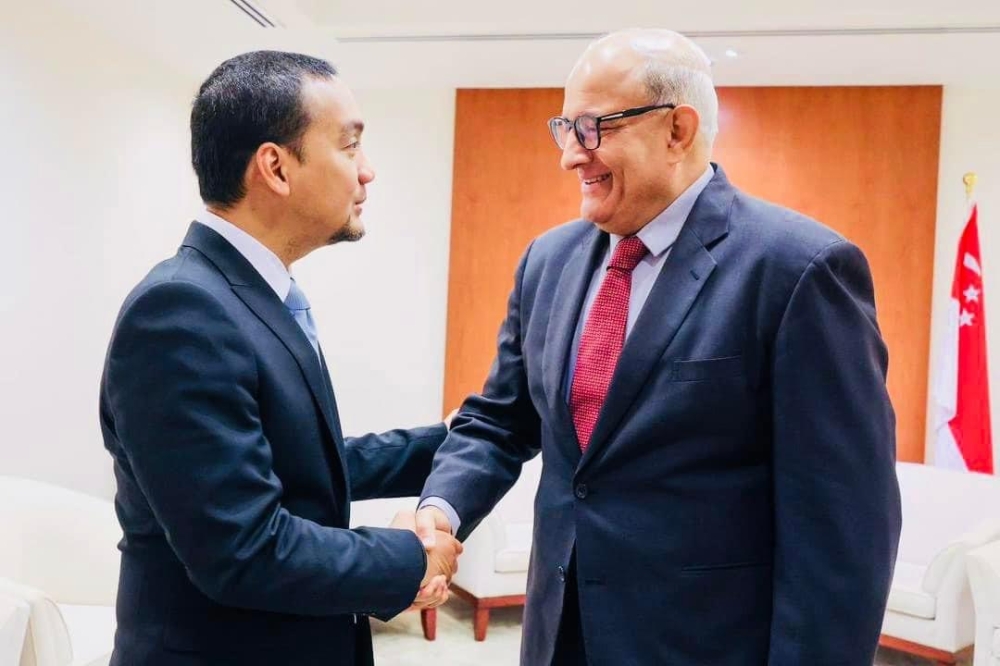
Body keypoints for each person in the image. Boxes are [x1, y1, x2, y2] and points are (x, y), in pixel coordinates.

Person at [417, 28, 901, 665]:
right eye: (564, 127)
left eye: (593, 128)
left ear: (678, 129)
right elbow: (501, 420)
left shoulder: (799, 270)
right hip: (558, 637)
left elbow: (843, 530)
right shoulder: (549, 261)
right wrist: (443, 507)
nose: (570, 155)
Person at [99, 50, 461, 666]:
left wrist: (453, 439)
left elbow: (302, 463)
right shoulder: (179, 312)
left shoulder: (251, 294)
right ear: (276, 167)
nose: (366, 172)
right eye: (349, 147)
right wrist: (410, 556)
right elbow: (243, 550)